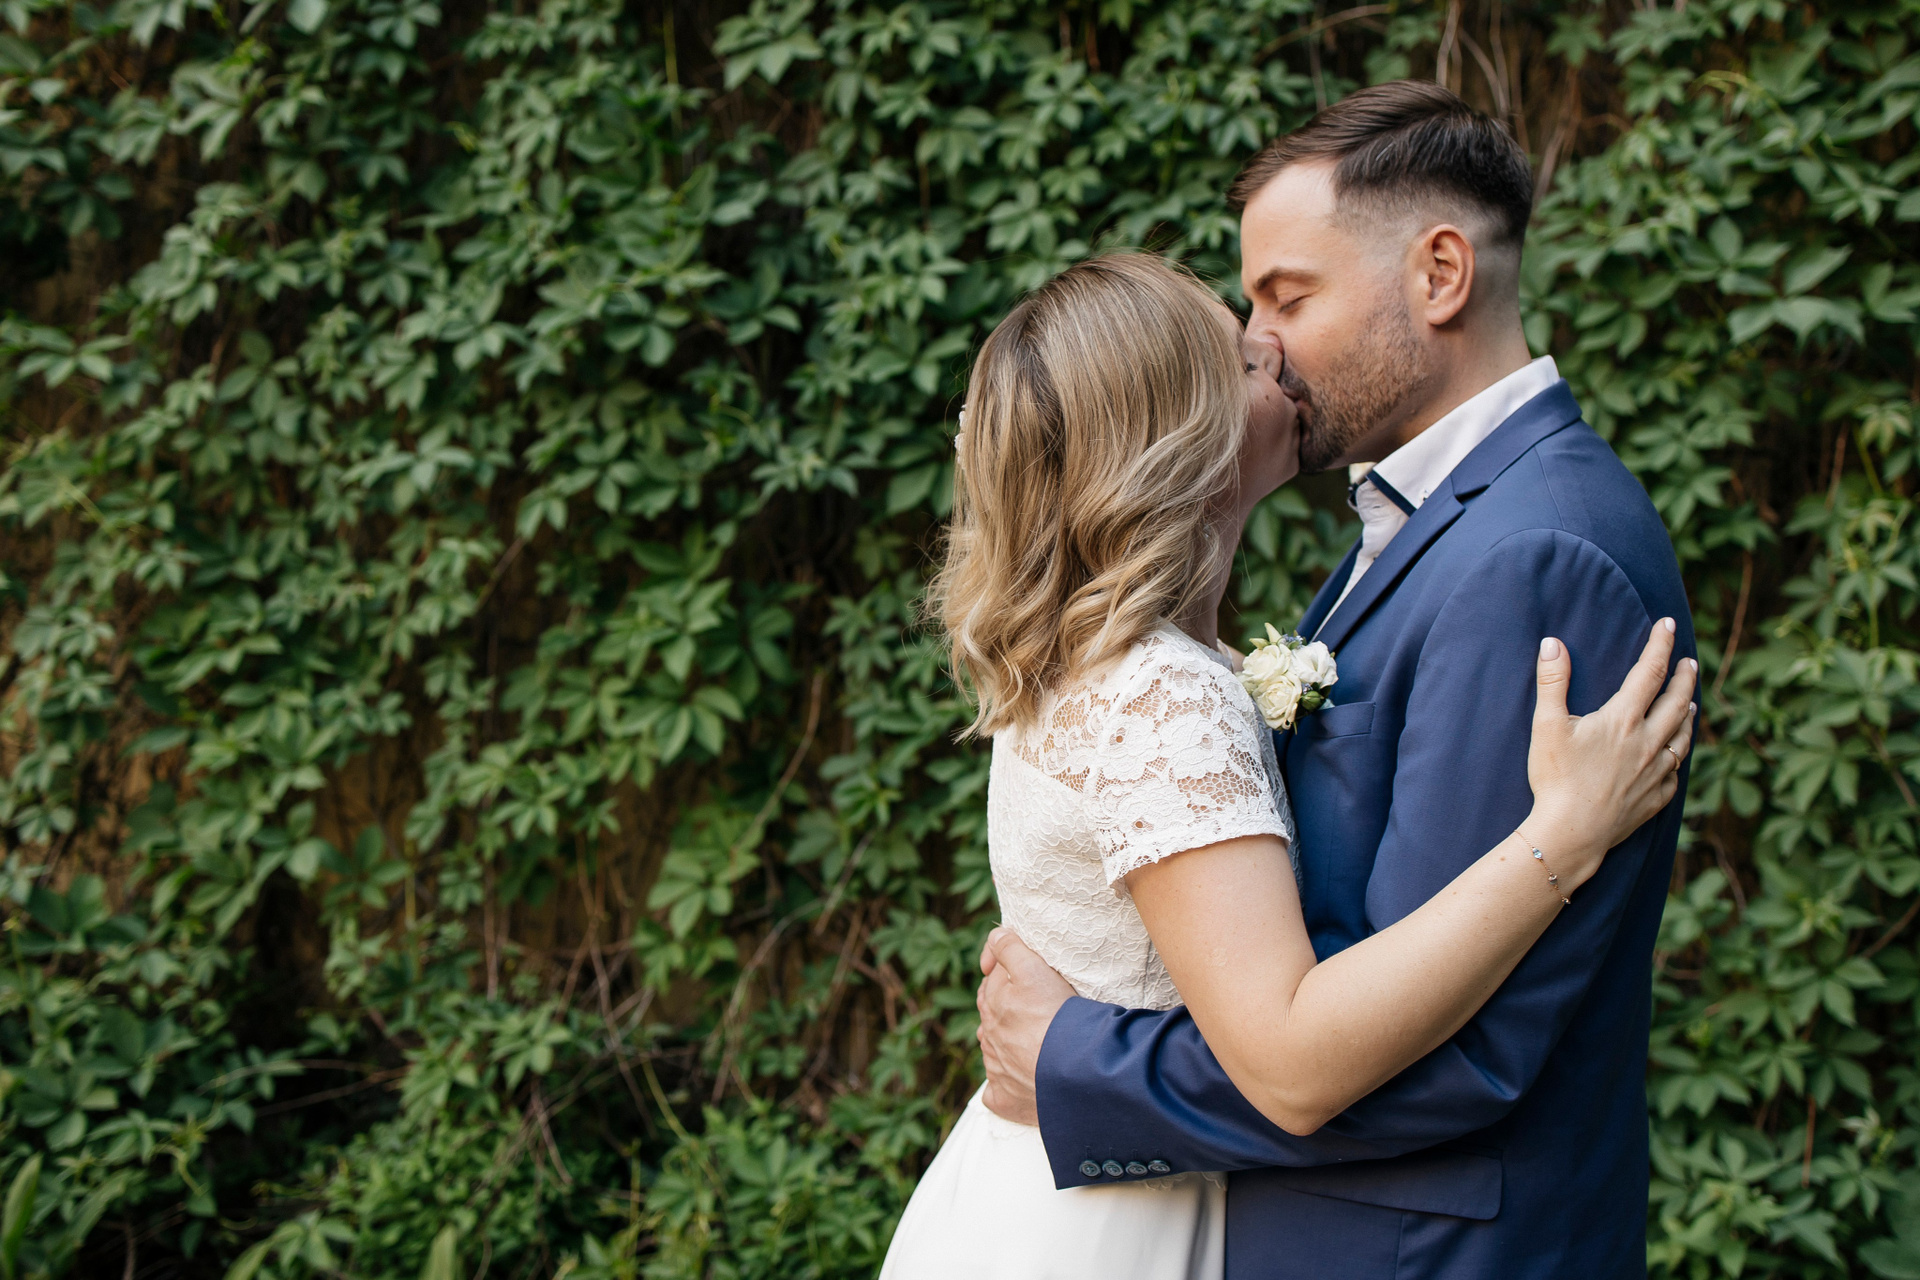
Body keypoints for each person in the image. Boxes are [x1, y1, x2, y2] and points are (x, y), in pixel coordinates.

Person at [969, 83, 1697, 1280]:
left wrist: (1077, 1061)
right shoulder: (1420, 527)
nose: (1262, 343)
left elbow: (1457, 1048)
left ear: (1441, 274)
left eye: (1287, 296)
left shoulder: (1534, 557)